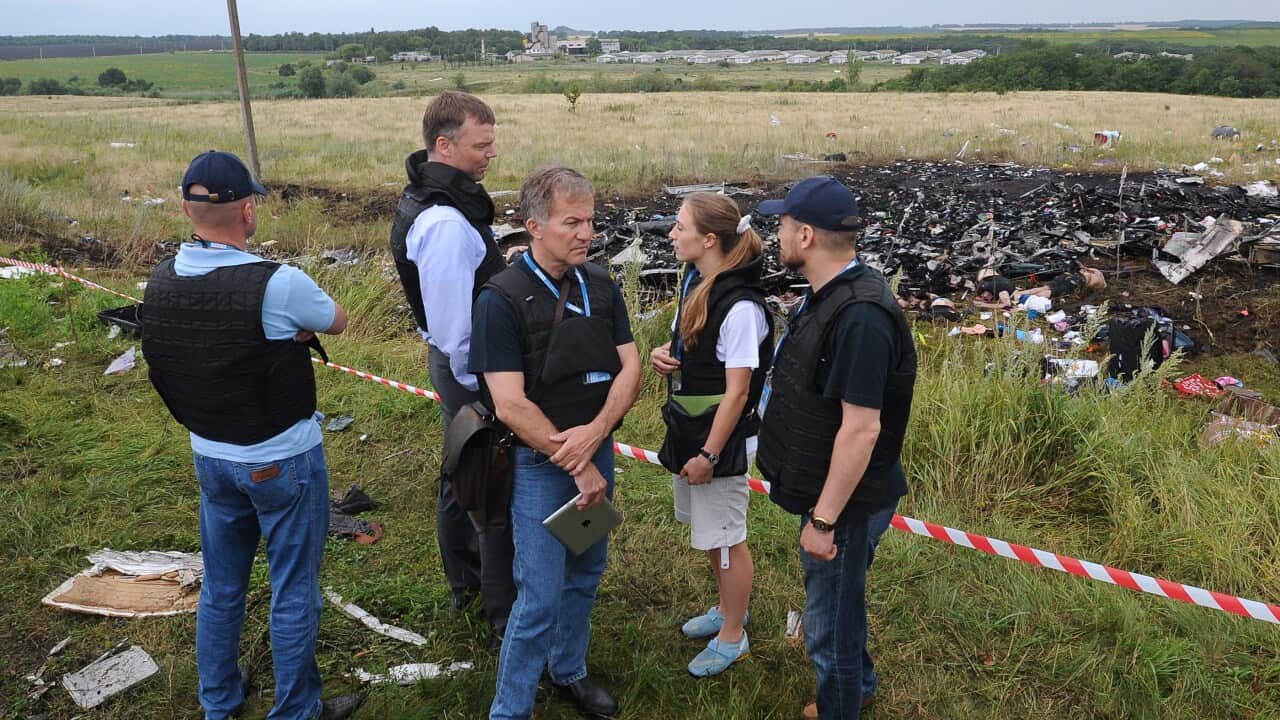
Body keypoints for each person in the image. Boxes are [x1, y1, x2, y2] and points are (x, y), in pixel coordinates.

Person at [139, 151, 360, 720]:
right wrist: (290, 331)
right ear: (247, 212)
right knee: (294, 589)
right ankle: (297, 711)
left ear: (186, 209)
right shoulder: (277, 283)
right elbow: (336, 320)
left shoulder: (160, 280)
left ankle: (218, 702)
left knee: (221, 586)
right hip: (281, 457)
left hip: (210, 454)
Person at [471, 166, 641, 720]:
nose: (586, 233)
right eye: (572, 222)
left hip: (598, 454)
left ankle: (568, 669)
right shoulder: (500, 299)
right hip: (540, 468)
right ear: (534, 226)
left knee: (586, 572)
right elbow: (510, 404)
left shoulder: (601, 285)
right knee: (539, 596)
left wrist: (596, 434)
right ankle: (510, 709)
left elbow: (631, 368)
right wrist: (577, 462)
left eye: (589, 221)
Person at [755, 176, 917, 720]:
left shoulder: (860, 318)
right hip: (830, 487)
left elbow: (862, 429)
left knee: (830, 624)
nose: (777, 235)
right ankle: (860, 684)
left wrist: (823, 522)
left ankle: (841, 703)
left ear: (805, 235)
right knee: (840, 604)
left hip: (846, 502)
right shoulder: (831, 295)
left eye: (782, 225)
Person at [388, 90, 515, 644]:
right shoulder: (442, 220)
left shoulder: (438, 196)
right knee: (483, 476)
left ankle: (470, 580)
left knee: (465, 468)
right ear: (444, 145)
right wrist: (482, 390)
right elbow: (452, 327)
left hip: (465, 365)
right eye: (481, 145)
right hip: (469, 368)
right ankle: (488, 596)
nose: (492, 154)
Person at [649, 193, 773, 677]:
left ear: (708, 239)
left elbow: (738, 393)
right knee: (710, 535)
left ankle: (733, 636)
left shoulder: (741, 308)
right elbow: (696, 352)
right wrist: (666, 355)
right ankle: (725, 608)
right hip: (692, 427)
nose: (671, 234)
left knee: (726, 539)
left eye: (680, 226)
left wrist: (709, 455)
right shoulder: (695, 282)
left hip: (718, 442)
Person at [974, 265, 1105, 309]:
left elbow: (1006, 304)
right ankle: (1021, 298)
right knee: (1044, 291)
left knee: (1043, 291)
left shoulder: (1093, 275)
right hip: (1071, 280)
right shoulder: (1096, 278)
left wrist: (985, 305)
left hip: (1068, 278)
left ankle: (1021, 298)